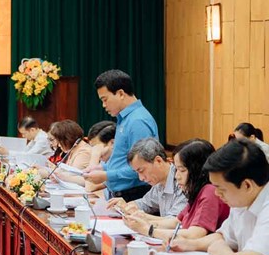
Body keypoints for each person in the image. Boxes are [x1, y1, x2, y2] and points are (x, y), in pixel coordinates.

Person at [171, 139, 269, 255]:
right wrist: (191, 244)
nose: (216, 194)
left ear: (247, 185)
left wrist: (224, 254)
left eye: (221, 189)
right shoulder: (241, 200)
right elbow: (224, 237)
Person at [123, 139, 229, 243]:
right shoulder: (196, 192)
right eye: (177, 169)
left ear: (198, 170)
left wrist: (147, 229)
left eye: (182, 170)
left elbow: (194, 235)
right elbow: (176, 221)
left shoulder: (209, 191)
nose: (177, 176)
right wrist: (143, 220)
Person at [84, 69, 158, 201]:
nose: (103, 105)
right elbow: (121, 159)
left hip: (134, 195)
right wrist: (101, 167)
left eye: (105, 99)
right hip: (121, 194)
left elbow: (142, 167)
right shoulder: (125, 118)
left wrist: (106, 175)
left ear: (120, 93)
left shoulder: (137, 121)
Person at [107, 138, 187, 218]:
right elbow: (145, 204)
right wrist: (126, 206)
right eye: (137, 172)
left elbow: (175, 222)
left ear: (158, 161)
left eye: (141, 170)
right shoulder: (158, 182)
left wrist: (143, 218)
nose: (141, 178)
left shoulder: (183, 181)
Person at [41, 120, 91, 186]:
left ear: (67, 139)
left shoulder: (84, 152)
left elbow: (73, 175)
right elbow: (64, 172)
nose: (58, 145)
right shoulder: (74, 149)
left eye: (59, 141)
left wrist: (48, 173)